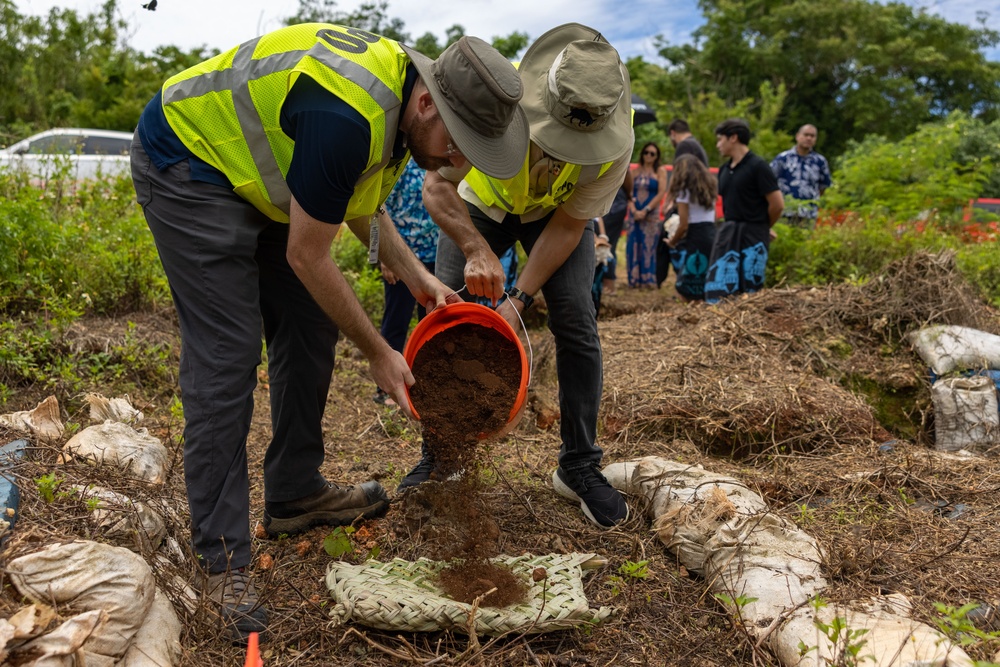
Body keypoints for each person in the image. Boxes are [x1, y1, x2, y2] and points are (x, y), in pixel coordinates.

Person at [129, 23, 529, 641]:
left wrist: (420, 280)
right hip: (190, 161)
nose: (459, 161)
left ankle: (293, 493)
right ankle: (223, 557)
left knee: (311, 322)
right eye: (460, 145)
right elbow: (309, 255)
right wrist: (379, 351)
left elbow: (357, 203)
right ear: (428, 103)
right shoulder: (349, 112)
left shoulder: (400, 113)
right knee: (227, 354)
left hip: (262, 186)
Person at [403, 23, 635, 529]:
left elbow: (572, 223)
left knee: (577, 323)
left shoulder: (617, 145)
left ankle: (578, 464)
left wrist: (520, 299)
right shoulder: (496, 101)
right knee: (448, 314)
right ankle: (443, 460)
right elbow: (437, 190)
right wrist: (477, 249)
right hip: (481, 208)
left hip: (553, 220)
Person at [376, 159, 521, 409]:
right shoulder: (398, 165)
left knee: (433, 320)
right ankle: (386, 388)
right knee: (396, 319)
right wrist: (382, 255)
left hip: (438, 254)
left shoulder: (447, 164)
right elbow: (376, 210)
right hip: (403, 257)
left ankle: (423, 384)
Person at [704, 118, 783, 303]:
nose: (718, 145)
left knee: (749, 292)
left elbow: (777, 204)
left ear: (733, 138)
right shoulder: (724, 170)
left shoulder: (758, 166)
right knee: (720, 287)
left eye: (720, 139)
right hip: (729, 233)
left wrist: (763, 226)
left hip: (753, 236)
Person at [658, 118, 711, 287]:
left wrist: (670, 198)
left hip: (687, 201)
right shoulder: (696, 145)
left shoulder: (684, 146)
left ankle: (679, 280)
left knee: (668, 237)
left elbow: (679, 174)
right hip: (701, 204)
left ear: (673, 133)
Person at [663, 154, 717, 301]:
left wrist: (673, 241)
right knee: (706, 276)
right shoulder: (710, 186)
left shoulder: (684, 191)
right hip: (711, 233)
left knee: (686, 284)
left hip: (696, 235)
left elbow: (683, 224)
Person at [769, 124, 832, 227]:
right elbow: (769, 181)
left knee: (806, 241)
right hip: (785, 212)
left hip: (808, 214)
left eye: (812, 136)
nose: (809, 138)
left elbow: (823, 187)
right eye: (806, 135)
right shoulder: (783, 158)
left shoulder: (820, 161)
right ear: (797, 136)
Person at [626, 141, 667, 288]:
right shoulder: (634, 171)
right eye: (646, 153)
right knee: (634, 244)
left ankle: (648, 280)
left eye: (652, 154)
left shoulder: (660, 172)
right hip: (635, 213)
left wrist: (646, 210)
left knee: (649, 245)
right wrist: (634, 210)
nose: (649, 156)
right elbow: (628, 192)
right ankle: (634, 279)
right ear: (642, 154)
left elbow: (661, 193)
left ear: (656, 156)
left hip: (651, 214)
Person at [594, 169, 633, 295]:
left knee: (607, 246)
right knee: (604, 244)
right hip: (607, 201)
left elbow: (626, 174)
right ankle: (605, 283)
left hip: (613, 202)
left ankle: (608, 284)